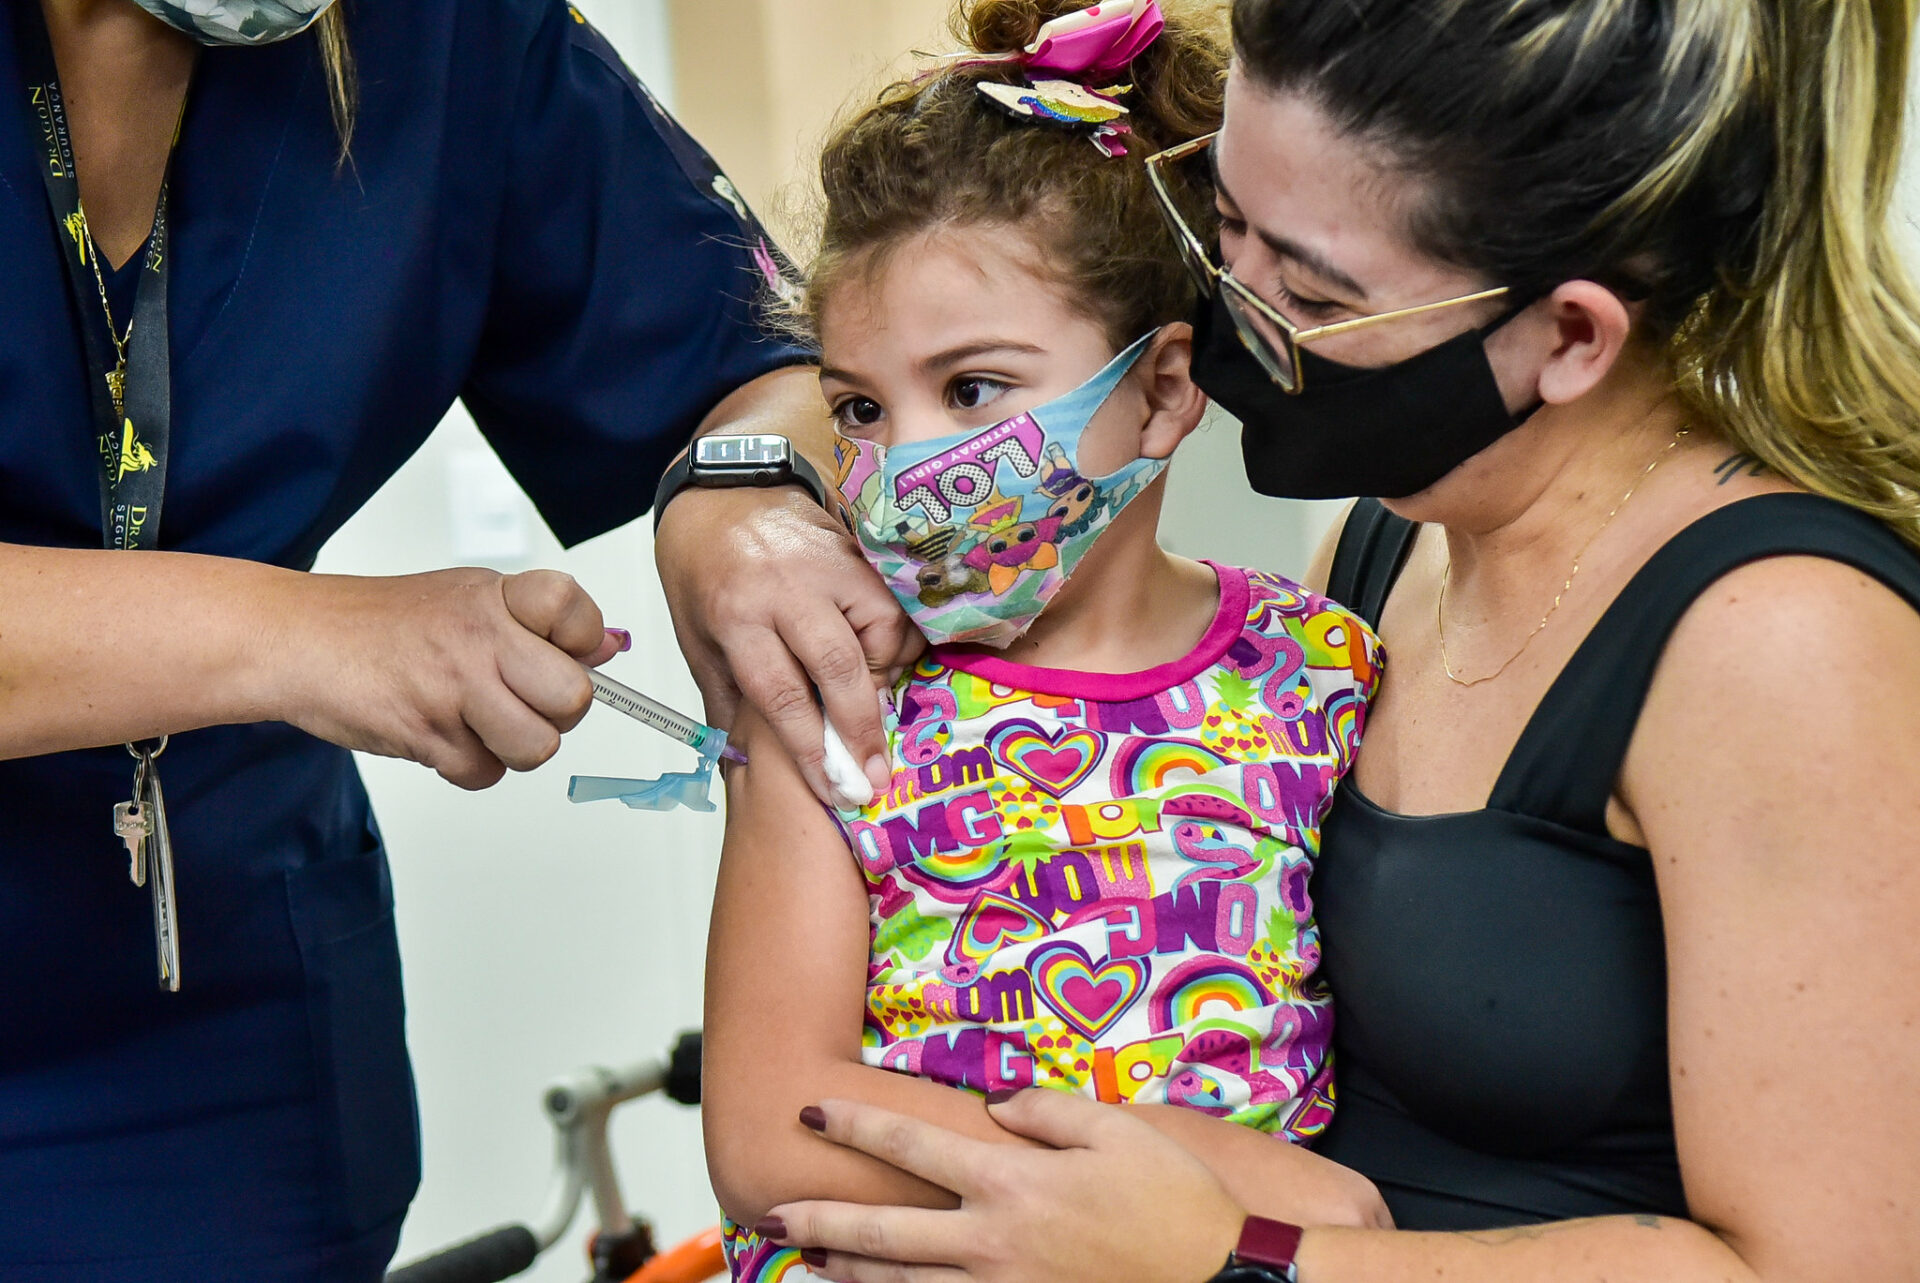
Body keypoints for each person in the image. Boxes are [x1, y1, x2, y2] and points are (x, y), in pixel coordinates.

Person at [728, 0, 1920, 1279]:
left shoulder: (1782, 636)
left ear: (1568, 336)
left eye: (1308, 286)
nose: (1232, 309)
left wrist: (1253, 1254)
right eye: (1223, 222)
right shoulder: (1388, 553)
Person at [0, 0, 900, 1276]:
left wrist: (741, 498)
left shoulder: (449, 36)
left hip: (232, 996)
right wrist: (298, 636)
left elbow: (751, 366)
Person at [700, 5, 1390, 1280]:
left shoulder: (1321, 667)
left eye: (972, 388)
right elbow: (765, 1132)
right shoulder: (841, 699)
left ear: (1165, 389)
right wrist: (1230, 1184)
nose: (904, 457)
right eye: (858, 404)